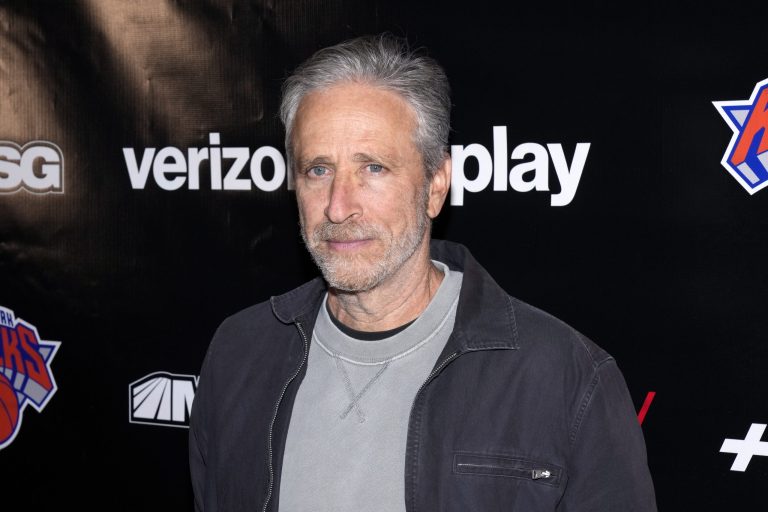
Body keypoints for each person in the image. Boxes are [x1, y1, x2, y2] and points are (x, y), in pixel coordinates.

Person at [189, 34, 657, 512]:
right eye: (317, 170)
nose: (338, 206)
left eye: (372, 168)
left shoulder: (564, 377)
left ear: (436, 185)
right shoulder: (239, 353)